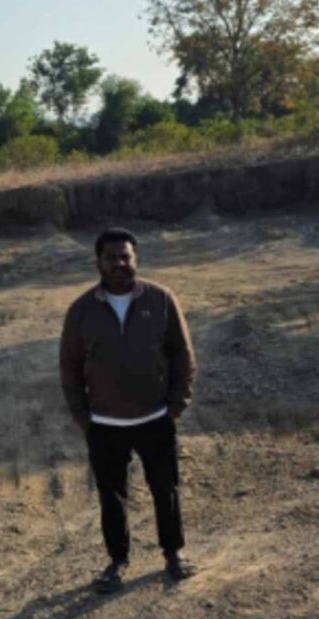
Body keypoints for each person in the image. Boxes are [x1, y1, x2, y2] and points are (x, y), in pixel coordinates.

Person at [59, 227, 197, 593]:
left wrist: (175, 406)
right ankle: (117, 562)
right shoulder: (81, 311)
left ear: (135, 259)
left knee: (165, 489)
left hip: (155, 418)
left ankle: (173, 553)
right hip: (104, 424)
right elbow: (69, 368)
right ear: (98, 263)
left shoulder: (161, 300)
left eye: (125, 256)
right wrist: (83, 417)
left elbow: (182, 355)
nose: (119, 264)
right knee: (111, 496)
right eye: (111, 258)